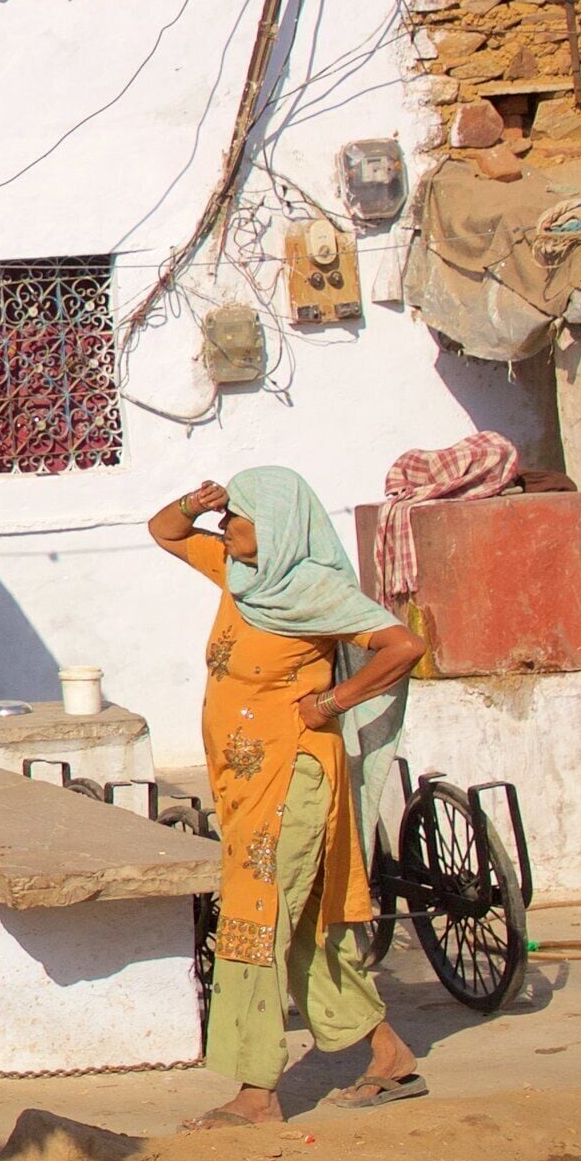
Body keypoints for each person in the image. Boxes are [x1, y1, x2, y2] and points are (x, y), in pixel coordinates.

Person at [149, 469, 432, 1127]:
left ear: (274, 525)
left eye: (236, 517)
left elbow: (404, 645)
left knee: (257, 923)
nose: (225, 529)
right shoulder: (242, 577)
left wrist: (333, 701)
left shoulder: (318, 592)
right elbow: (164, 531)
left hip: (294, 780)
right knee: (299, 925)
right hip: (247, 785)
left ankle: (256, 1095)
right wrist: (196, 500)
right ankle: (387, 1057)